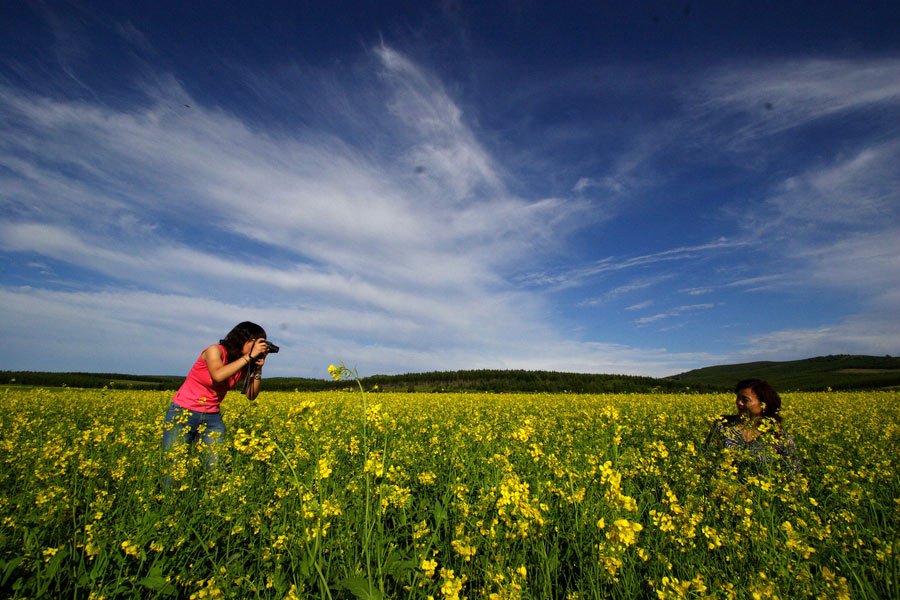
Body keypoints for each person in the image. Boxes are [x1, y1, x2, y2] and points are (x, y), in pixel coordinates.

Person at [161, 321, 270, 466]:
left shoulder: (242, 363)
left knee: (215, 468)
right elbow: (218, 375)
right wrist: (249, 357)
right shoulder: (215, 351)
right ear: (245, 339)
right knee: (173, 465)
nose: (260, 347)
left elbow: (251, 395)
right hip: (182, 412)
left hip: (212, 417)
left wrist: (258, 369)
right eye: (259, 343)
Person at [705, 379, 800, 476]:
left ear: (764, 405)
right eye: (738, 398)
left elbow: (792, 472)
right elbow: (708, 456)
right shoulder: (722, 424)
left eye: (745, 400)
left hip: (762, 490)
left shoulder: (778, 436)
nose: (739, 403)